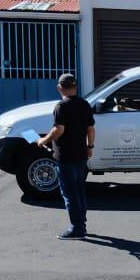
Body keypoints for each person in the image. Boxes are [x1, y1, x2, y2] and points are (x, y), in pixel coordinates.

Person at [37, 73, 95, 240]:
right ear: (75, 87)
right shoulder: (84, 104)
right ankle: (81, 224)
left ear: (59, 88)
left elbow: (59, 129)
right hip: (81, 154)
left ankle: (77, 229)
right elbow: (91, 129)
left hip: (66, 156)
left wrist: (43, 141)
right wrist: (90, 146)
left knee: (69, 193)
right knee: (79, 190)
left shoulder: (61, 106)